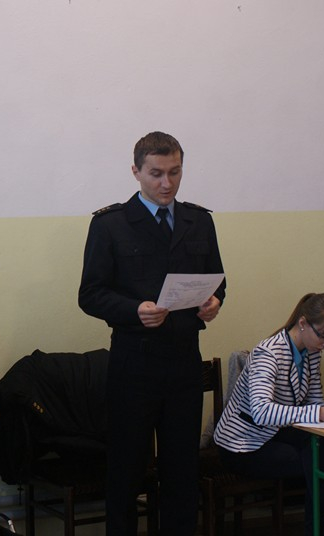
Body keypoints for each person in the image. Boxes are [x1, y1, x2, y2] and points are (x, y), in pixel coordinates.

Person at [78, 131, 226, 535]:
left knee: (182, 470)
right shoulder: (110, 224)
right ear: (136, 171)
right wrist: (133, 311)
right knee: (126, 470)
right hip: (134, 362)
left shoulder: (199, 220)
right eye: (156, 174)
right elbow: (90, 295)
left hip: (184, 360)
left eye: (174, 172)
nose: (166, 183)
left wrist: (214, 302)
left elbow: (217, 280)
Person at [214, 293, 324, 536]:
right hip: (242, 443)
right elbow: (261, 412)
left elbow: (314, 398)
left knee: (319, 446)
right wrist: (320, 412)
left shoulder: (312, 352)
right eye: (323, 336)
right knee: (314, 460)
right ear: (303, 323)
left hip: (273, 433)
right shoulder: (268, 353)